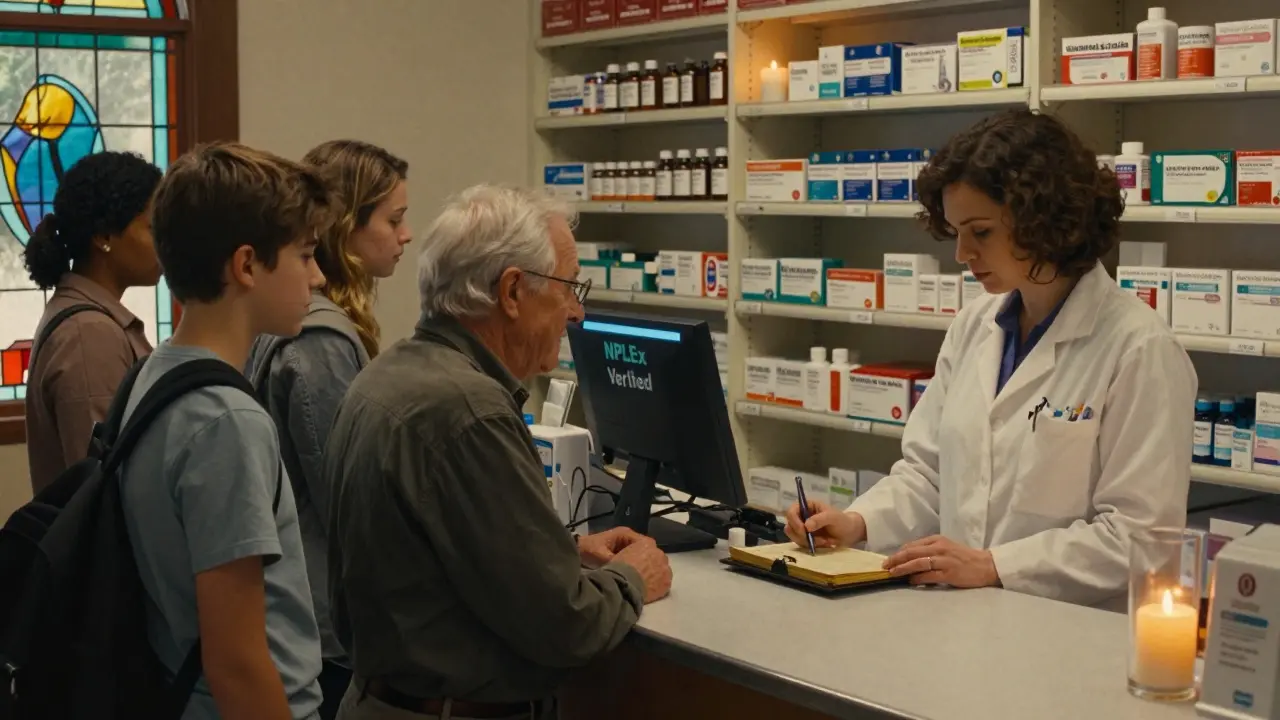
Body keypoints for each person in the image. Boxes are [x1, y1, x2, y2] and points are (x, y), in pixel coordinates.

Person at [785, 109, 1197, 608]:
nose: (961, 253)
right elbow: (929, 475)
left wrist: (995, 565)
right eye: (956, 231)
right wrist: (856, 522)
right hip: (963, 618)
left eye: (980, 232)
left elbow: (1141, 538)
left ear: (1045, 219)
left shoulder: (1140, 348)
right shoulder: (974, 325)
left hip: (1067, 631)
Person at [325, 184, 672, 720]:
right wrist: (632, 577)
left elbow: (433, 555)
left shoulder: (389, 374)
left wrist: (560, 550)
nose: (577, 313)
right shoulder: (469, 411)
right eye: (569, 288)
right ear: (512, 292)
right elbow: (567, 624)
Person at [119, 142, 336, 719]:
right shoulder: (225, 422)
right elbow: (237, 661)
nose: (317, 276)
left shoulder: (154, 373)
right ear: (246, 266)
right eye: (305, 255)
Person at [246, 139, 410, 719]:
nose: (406, 235)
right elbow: (347, 498)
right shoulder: (319, 340)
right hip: (322, 628)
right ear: (345, 228)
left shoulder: (303, 320)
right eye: (393, 220)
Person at [22, 151, 163, 494]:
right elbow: (102, 485)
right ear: (104, 237)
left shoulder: (92, 320)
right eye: (152, 227)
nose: (164, 241)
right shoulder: (88, 335)